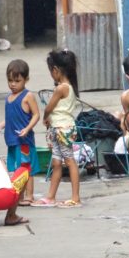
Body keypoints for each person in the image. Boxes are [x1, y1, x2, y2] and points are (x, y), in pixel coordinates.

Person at [0, 58, 40, 205]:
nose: (13, 84)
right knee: (18, 169)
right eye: (10, 80)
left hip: (24, 140)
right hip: (12, 140)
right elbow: (9, 118)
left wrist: (27, 129)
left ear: (26, 80)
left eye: (17, 81)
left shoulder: (28, 96)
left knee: (26, 168)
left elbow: (36, 114)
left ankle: (29, 196)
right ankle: (20, 195)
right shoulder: (9, 98)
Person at [39, 48, 82, 208]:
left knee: (69, 161)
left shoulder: (61, 88)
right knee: (57, 162)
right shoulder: (69, 86)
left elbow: (49, 107)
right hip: (59, 129)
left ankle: (75, 197)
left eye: (51, 71)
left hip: (63, 129)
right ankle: (50, 196)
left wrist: (45, 118)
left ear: (56, 70)